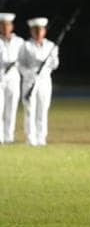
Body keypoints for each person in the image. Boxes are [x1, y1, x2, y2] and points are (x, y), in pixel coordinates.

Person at [18, 17, 59, 146]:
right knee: (30, 110)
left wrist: (49, 62)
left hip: (45, 81)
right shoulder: (25, 46)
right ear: (31, 31)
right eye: (35, 30)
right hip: (30, 82)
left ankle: (41, 138)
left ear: (44, 31)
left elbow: (55, 64)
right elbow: (20, 64)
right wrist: (30, 73)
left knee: (43, 109)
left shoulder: (51, 46)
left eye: (40, 29)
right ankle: (30, 138)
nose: (38, 32)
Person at [0, 13, 24, 144]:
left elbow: (25, 60)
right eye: (2, 25)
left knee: (11, 108)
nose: (4, 27)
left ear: (12, 26)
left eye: (7, 25)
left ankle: (9, 137)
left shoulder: (19, 42)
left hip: (14, 78)